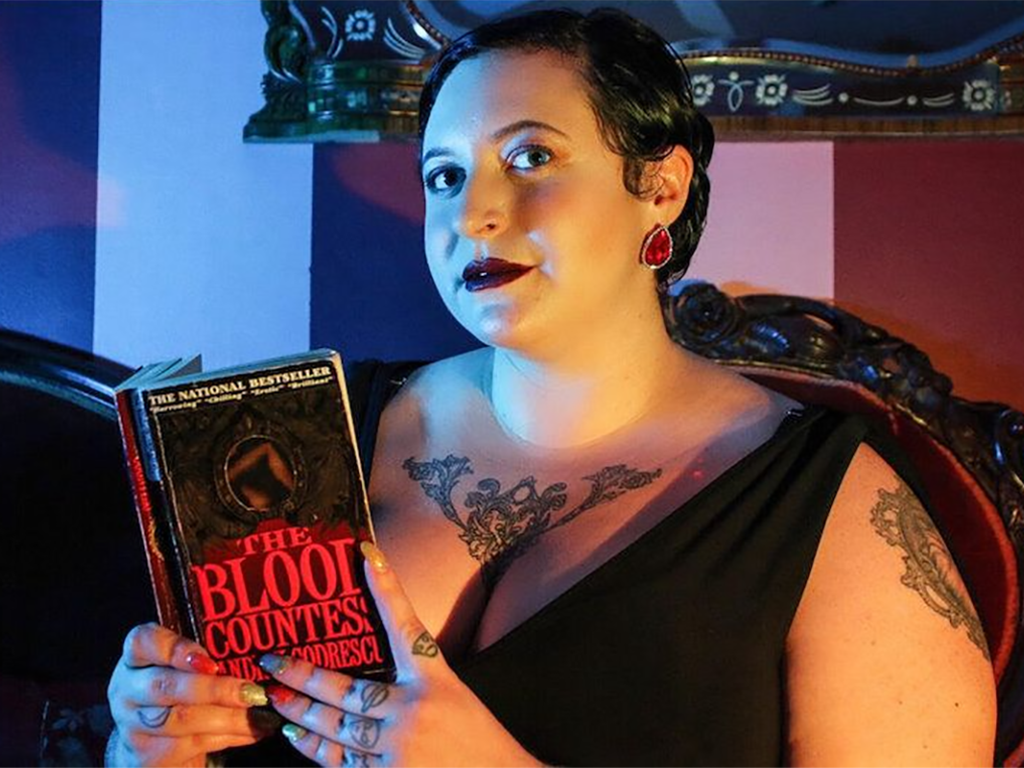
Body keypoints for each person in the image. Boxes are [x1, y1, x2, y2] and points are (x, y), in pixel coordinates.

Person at [105, 7, 997, 767]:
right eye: (444, 176)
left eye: (530, 158)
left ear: (661, 187)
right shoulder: (322, 429)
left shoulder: (832, 508)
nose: (472, 214)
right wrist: (148, 744)